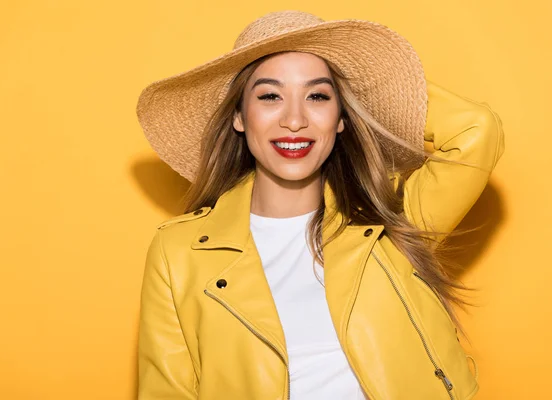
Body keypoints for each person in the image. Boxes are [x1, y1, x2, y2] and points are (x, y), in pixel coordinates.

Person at [135, 10, 504, 400]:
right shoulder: (179, 252)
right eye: (270, 96)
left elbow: (477, 130)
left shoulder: (391, 220)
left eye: (317, 96)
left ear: (342, 117)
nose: (295, 120)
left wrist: (377, 93)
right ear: (240, 117)